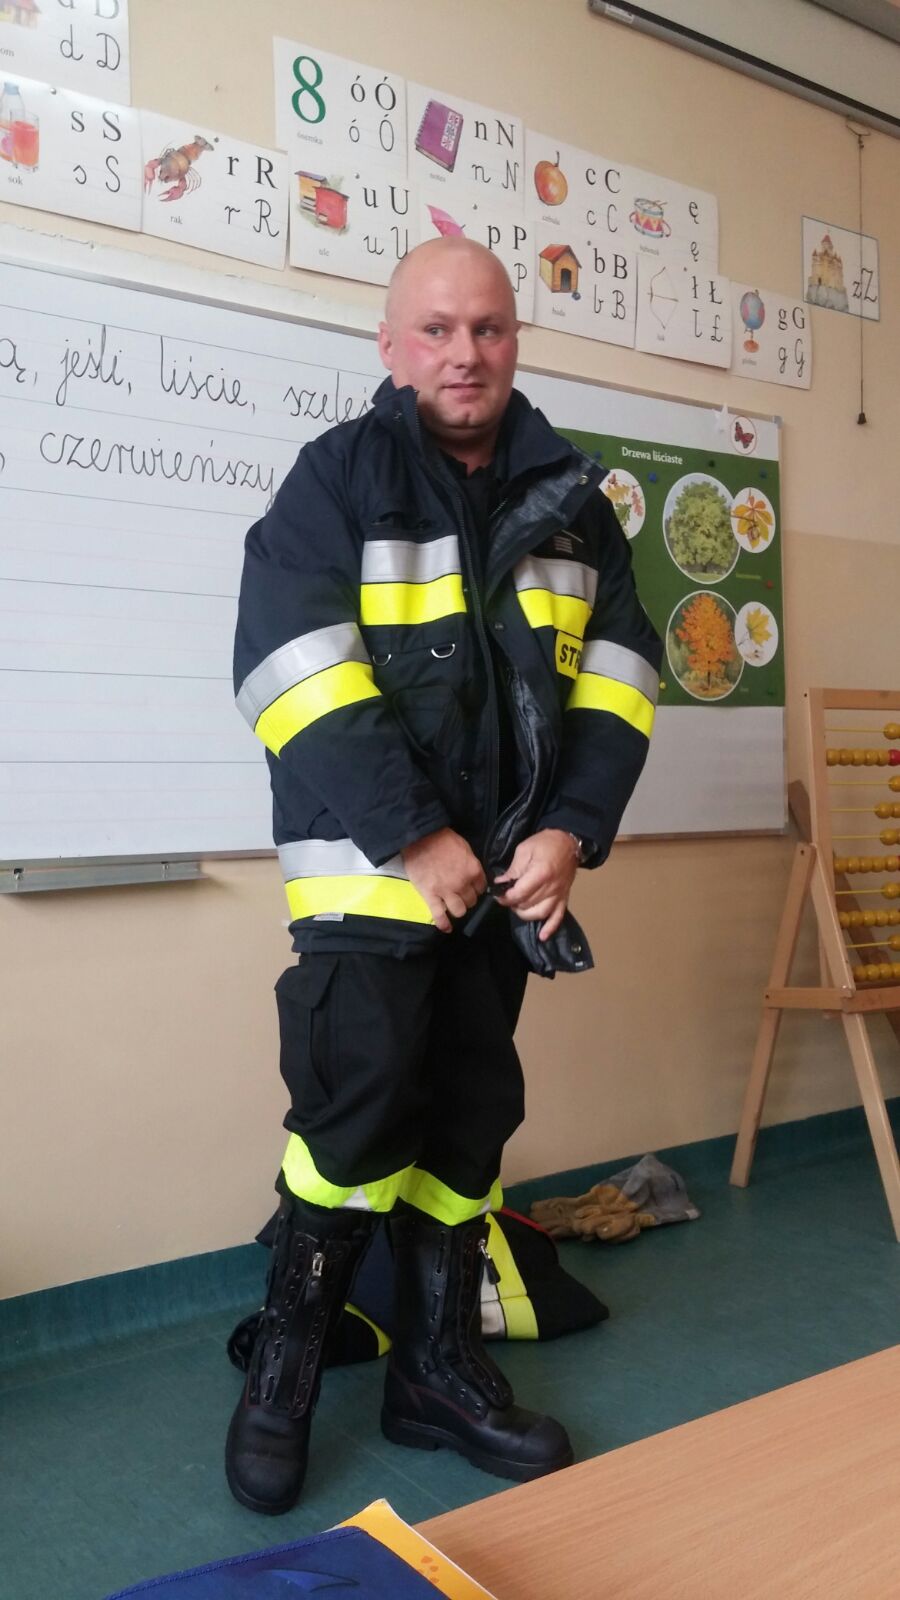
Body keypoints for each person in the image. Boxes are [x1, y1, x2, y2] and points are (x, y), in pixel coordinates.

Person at [228, 237, 662, 1515]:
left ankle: (434, 1372)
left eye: (487, 328)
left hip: (505, 890)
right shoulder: (336, 480)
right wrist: (417, 835)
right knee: (355, 1116)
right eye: (435, 329)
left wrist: (571, 830)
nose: (463, 353)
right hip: (372, 881)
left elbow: (621, 680)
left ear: (515, 340)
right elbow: (288, 668)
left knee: (473, 1117)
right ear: (390, 345)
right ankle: (285, 1374)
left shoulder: (579, 501)